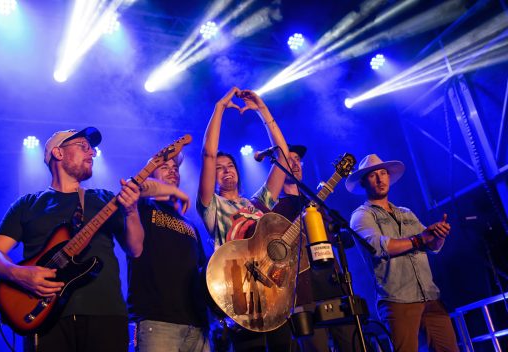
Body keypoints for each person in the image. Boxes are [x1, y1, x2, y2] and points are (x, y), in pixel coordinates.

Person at [0, 127, 144, 352]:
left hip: (106, 314)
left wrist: (132, 211)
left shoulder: (106, 199)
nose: (92, 153)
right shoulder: (27, 204)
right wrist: (18, 274)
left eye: (93, 149)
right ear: (58, 152)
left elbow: (135, 249)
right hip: (44, 317)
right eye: (83, 147)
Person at [196, 87, 292, 351]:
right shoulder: (212, 206)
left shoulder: (258, 202)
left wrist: (263, 110)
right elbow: (208, 154)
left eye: (230, 167)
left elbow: (283, 156)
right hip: (240, 297)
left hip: (273, 294)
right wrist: (219, 108)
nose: (225, 172)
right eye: (219, 170)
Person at [346, 154, 459, 352]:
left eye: (383, 173)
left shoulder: (406, 212)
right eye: (373, 175)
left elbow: (432, 246)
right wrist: (420, 239)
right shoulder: (361, 216)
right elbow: (378, 247)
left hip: (430, 296)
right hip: (397, 300)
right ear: (364, 182)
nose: (381, 179)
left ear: (389, 177)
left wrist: (438, 235)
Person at [252, 145, 358, 352]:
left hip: (334, 286)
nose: (294, 163)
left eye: (297, 159)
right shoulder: (271, 210)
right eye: (288, 159)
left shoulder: (317, 202)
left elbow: (339, 239)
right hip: (300, 294)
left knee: (352, 345)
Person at [127, 154, 210, 352]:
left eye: (175, 167)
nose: (172, 169)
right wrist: (171, 190)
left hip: (198, 326)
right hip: (157, 323)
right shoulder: (142, 207)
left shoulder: (190, 225)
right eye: (164, 166)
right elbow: (135, 185)